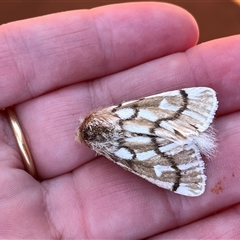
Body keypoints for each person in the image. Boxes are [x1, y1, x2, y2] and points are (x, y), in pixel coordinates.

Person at [0, 2, 239, 239]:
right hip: (136, 115)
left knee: (144, 159)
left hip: (133, 153)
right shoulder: (119, 112)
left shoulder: (110, 151)